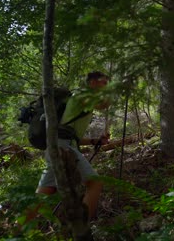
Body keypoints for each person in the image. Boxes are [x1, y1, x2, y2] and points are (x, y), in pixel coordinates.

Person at [25, 71, 110, 226]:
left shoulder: (79, 101)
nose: (106, 86)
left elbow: (71, 136)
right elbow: (104, 104)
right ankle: (83, 230)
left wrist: (94, 141)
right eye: (103, 83)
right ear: (92, 83)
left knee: (43, 195)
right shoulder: (81, 96)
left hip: (60, 145)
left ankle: (18, 230)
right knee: (95, 183)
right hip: (61, 147)